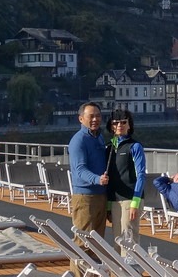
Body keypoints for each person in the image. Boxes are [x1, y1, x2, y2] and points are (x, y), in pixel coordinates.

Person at [69, 101, 109, 277]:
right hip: (85, 198)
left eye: (98, 116)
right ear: (81, 118)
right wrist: (97, 179)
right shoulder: (78, 140)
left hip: (101, 196)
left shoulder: (98, 137)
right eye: (91, 116)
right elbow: (79, 170)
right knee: (82, 244)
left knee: (97, 244)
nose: (95, 119)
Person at [105, 109, 146, 254]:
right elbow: (110, 178)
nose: (119, 125)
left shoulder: (135, 147)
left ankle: (132, 271)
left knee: (129, 241)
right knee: (117, 241)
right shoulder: (109, 148)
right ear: (111, 126)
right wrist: (109, 205)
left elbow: (141, 175)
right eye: (115, 123)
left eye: (123, 122)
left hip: (130, 199)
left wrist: (135, 203)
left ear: (129, 125)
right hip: (116, 200)